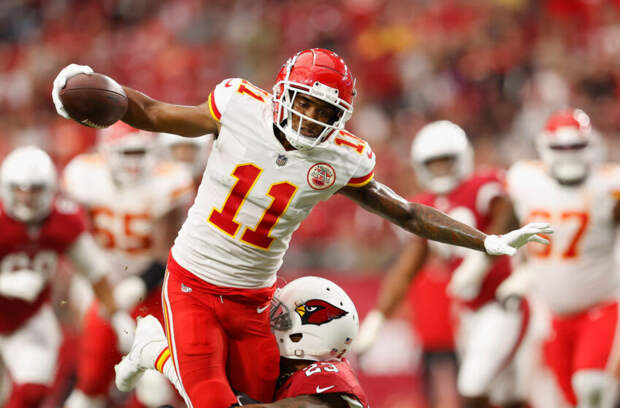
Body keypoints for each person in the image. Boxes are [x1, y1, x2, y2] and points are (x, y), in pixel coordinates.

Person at [51, 48, 552, 408]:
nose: (311, 116)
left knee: (264, 394)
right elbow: (156, 112)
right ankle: (159, 353)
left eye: (324, 110)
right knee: (213, 402)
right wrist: (100, 89)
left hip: (254, 295)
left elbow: (407, 213)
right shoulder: (238, 105)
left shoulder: (343, 157)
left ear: (342, 117)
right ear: (281, 89)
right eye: (304, 101)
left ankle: (154, 352)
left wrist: (487, 241)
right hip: (193, 283)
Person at [355, 121, 531, 408]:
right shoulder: (424, 205)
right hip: (468, 312)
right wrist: (377, 319)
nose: (440, 170)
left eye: (446, 162)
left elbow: (508, 216)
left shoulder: (483, 186)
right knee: (505, 396)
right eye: (433, 164)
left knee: (472, 387)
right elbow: (407, 267)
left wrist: (481, 263)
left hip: (503, 302)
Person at [61, 123, 194, 408]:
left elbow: (167, 250)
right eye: (127, 153)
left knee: (155, 386)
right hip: (97, 280)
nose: (134, 162)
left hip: (151, 287)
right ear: (105, 152)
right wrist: (103, 294)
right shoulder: (85, 175)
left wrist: (138, 285)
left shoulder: (168, 180)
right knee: (93, 377)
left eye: (140, 152)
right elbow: (77, 242)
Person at [503, 108, 620, 407]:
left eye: (576, 146)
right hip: (550, 312)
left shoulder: (610, 185)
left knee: (591, 389)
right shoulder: (524, 180)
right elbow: (505, 232)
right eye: (560, 147)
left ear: (592, 145)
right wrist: (520, 273)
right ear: (545, 147)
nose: (568, 154)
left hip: (601, 306)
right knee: (563, 398)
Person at [0, 146, 131, 408]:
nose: (27, 199)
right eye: (20, 190)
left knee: (32, 392)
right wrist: (5, 283)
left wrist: (117, 316)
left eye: (35, 190)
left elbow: (95, 270)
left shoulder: (63, 221)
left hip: (26, 317)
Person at [116, 276, 369, 408]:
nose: (271, 320)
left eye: (281, 317)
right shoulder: (284, 373)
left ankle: (155, 352)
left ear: (304, 334)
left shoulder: (329, 375)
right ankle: (156, 353)